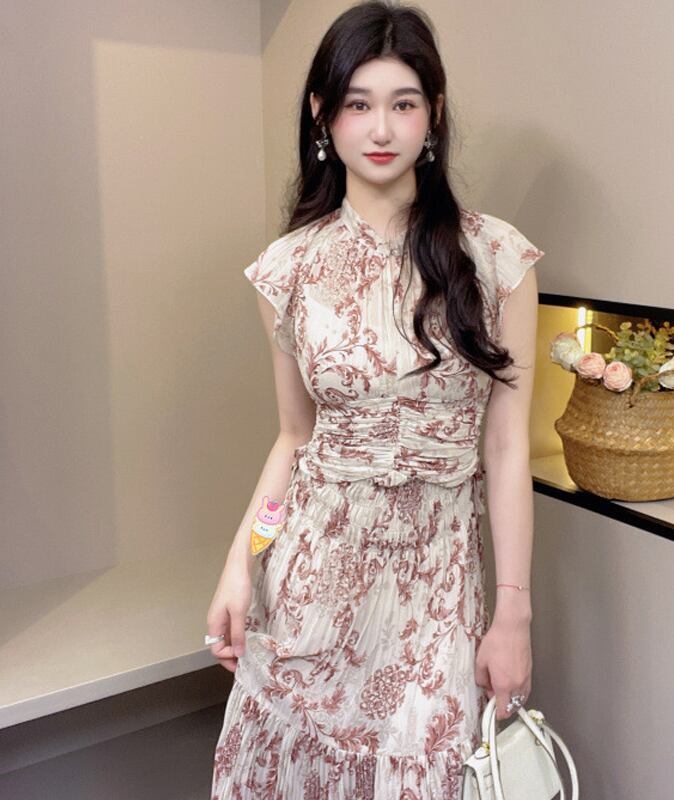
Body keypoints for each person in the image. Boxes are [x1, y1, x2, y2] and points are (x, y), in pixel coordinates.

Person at [207, 2, 544, 797]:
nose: (382, 128)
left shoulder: (498, 258)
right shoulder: (287, 268)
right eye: (358, 104)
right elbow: (294, 440)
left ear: (435, 114)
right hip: (308, 582)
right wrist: (238, 567)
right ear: (323, 114)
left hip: (436, 589)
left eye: (404, 103)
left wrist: (513, 611)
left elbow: (506, 448)